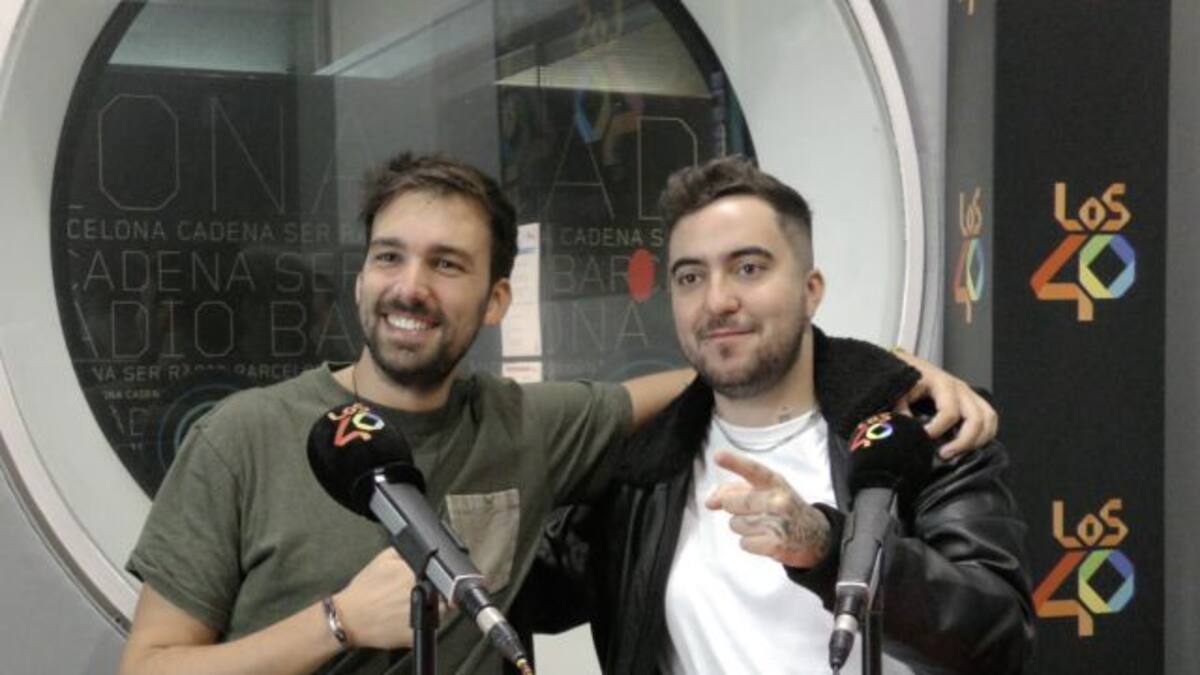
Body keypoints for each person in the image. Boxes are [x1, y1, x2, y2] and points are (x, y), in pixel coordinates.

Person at [118, 153, 997, 675]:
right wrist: (338, 622)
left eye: (447, 264)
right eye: (389, 256)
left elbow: (993, 631)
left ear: (497, 299)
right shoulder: (242, 436)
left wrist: (888, 373)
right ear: (361, 277)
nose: (410, 287)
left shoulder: (530, 426)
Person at [519, 157, 1033, 674]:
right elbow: (520, 589)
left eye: (748, 268)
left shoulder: (922, 431)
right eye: (691, 277)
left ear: (811, 290)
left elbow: (1000, 637)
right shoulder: (640, 476)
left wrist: (831, 549)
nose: (717, 300)